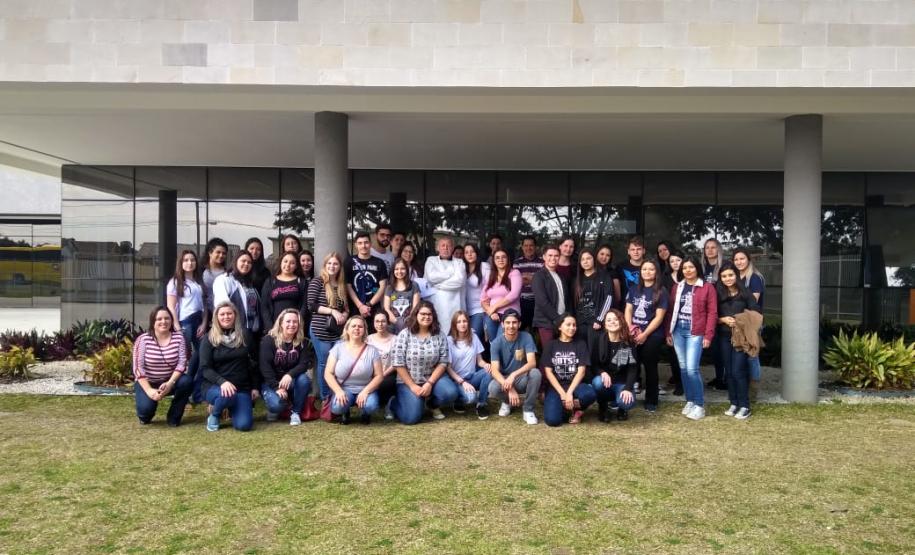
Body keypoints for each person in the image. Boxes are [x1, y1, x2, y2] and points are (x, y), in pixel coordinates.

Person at [666, 257, 718, 421]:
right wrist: (668, 332)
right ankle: (690, 400)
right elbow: (670, 311)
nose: (688, 270)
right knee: (682, 368)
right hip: (678, 330)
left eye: (691, 267)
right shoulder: (677, 287)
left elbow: (712, 313)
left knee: (692, 369)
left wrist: (708, 335)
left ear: (697, 269)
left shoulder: (707, 287)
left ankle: (699, 404)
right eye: (685, 268)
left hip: (695, 331)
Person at [390, 300, 457, 425]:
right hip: (409, 381)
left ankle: (431, 403)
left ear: (433, 316)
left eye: (429, 314)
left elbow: (443, 362)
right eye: (423, 314)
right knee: (411, 418)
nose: (426, 317)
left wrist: (430, 383)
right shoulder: (404, 335)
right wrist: (413, 386)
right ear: (416, 315)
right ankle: (393, 404)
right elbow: (398, 363)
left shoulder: (440, 335)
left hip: (433, 379)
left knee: (450, 393)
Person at [200, 302, 259, 432]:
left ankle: (230, 408)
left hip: (241, 387)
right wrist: (223, 382)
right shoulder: (209, 338)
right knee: (227, 395)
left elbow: (254, 363)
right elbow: (205, 368)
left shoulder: (245, 335)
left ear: (235, 315)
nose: (226, 317)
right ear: (216, 317)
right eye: (222, 314)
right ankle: (215, 414)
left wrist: (255, 386)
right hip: (215, 387)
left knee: (244, 425)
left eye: (229, 313)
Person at [132, 307, 192, 426]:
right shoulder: (143, 340)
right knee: (145, 413)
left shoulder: (179, 338)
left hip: (170, 381)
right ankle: (145, 414)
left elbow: (182, 363)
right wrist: (149, 390)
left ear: (171, 320)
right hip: (148, 382)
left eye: (167, 318)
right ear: (153, 322)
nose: (163, 322)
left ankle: (174, 417)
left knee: (187, 381)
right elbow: (138, 368)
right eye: (159, 319)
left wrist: (170, 383)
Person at [716, 263, 761, 420]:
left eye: (730, 275)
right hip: (723, 337)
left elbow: (756, 313)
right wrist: (722, 319)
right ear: (720, 278)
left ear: (736, 276)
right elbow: (711, 314)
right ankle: (734, 403)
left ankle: (744, 405)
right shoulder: (717, 293)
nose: (727, 279)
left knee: (738, 371)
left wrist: (739, 320)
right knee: (728, 372)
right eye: (724, 276)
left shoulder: (745, 293)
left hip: (741, 338)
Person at [624, 259, 668, 413]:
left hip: (652, 335)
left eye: (651, 269)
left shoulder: (661, 291)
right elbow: (628, 309)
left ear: (656, 272)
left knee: (650, 367)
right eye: (644, 269)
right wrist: (630, 328)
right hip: (633, 333)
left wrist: (645, 334)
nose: (647, 272)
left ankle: (651, 400)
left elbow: (659, 317)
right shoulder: (634, 289)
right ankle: (627, 397)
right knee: (631, 366)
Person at [307, 251, 350, 401]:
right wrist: (332, 311)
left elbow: (346, 308)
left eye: (335, 264)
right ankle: (326, 398)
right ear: (325, 265)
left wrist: (344, 315)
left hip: (337, 332)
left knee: (337, 364)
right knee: (324, 364)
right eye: (329, 263)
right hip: (320, 331)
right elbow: (311, 305)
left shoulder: (341, 285)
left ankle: (336, 395)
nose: (332, 266)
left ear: (339, 267)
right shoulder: (318, 282)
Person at [325, 316, 384, 425]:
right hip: (344, 389)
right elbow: (328, 373)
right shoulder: (337, 348)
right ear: (347, 329)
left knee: (371, 406)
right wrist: (338, 391)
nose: (357, 329)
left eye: (360, 326)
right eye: (353, 326)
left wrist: (365, 391)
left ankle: (366, 413)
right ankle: (345, 412)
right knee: (337, 407)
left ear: (365, 330)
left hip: (366, 388)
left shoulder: (372, 350)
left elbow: (379, 375)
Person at [165, 250, 207, 404]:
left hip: (198, 321)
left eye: (192, 260)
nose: (189, 263)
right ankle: (183, 389)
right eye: (186, 260)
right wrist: (176, 326)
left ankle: (196, 392)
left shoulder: (197, 282)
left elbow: (203, 306)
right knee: (184, 358)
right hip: (185, 322)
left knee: (204, 356)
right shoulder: (175, 282)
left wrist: (204, 322)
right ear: (181, 263)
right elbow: (171, 306)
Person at [487, 309, 541, 425]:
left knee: (536, 373)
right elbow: (495, 371)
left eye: (514, 322)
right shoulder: (496, 343)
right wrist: (510, 388)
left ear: (519, 324)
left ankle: (528, 410)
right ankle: (507, 402)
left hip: (522, 378)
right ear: (502, 324)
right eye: (508, 322)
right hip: (505, 380)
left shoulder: (526, 337)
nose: (511, 326)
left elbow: (532, 363)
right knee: (492, 387)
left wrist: (513, 375)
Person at [259, 309, 313, 425]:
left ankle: (295, 412)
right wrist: (276, 387)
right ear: (281, 323)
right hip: (271, 382)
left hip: (291, 381)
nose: (292, 324)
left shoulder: (302, 342)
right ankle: (277, 406)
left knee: (304, 379)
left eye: (295, 322)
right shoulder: (269, 340)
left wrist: (289, 375)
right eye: (288, 321)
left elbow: (304, 364)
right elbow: (265, 367)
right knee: (277, 405)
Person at [541, 314, 597, 427]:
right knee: (553, 421)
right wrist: (563, 394)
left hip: (575, 386)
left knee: (590, 394)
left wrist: (569, 393)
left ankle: (575, 409)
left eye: (574, 325)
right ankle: (568, 409)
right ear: (560, 327)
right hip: (556, 387)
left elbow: (581, 371)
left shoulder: (580, 344)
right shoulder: (551, 345)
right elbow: (548, 372)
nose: (572, 328)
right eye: (568, 325)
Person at [591, 309, 638, 422]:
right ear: (605, 324)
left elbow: (633, 368)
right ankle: (603, 407)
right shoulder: (598, 339)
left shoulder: (628, 342)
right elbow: (594, 365)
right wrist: (602, 373)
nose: (612, 322)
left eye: (616, 319)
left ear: (621, 322)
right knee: (597, 382)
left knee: (627, 402)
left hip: (621, 383)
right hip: (605, 383)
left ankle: (622, 409)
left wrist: (627, 388)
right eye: (609, 320)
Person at [446, 311, 493, 419]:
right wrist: (462, 382)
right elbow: (448, 368)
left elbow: (479, 360)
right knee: (470, 398)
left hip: (472, 377)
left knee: (490, 371)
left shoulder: (473, 337)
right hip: (457, 380)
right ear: (454, 324)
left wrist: (486, 365)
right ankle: (458, 400)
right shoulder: (449, 341)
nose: (462, 324)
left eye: (465, 321)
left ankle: (481, 404)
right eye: (459, 322)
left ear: (468, 322)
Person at [732, 247, 766, 399]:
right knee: (741, 353)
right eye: (736, 259)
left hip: (751, 322)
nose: (739, 262)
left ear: (748, 259)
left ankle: (753, 390)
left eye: (742, 258)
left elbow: (753, 301)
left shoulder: (755, 278)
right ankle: (743, 387)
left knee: (752, 355)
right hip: (738, 322)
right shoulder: (735, 277)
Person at [213, 251, 261, 335]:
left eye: (249, 262)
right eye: (243, 261)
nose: (246, 264)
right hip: (234, 332)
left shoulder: (249, 282)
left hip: (252, 331)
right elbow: (222, 306)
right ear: (235, 262)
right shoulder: (224, 280)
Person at [573, 248, 614, 347]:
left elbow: (608, 299)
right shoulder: (576, 279)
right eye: (583, 259)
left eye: (588, 258)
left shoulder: (604, 276)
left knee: (594, 353)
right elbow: (572, 302)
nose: (586, 261)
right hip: (580, 323)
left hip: (595, 323)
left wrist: (600, 319)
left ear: (594, 259)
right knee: (581, 351)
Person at [532, 244, 571, 348]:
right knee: (549, 354)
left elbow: (567, 300)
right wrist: (559, 319)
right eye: (550, 255)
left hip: (562, 322)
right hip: (547, 323)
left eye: (556, 256)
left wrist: (567, 318)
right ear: (544, 257)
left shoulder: (560, 276)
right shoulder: (539, 276)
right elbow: (542, 302)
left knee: (560, 354)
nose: (553, 258)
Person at [480, 248, 522, 343]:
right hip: (492, 315)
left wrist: (494, 307)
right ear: (494, 261)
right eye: (497, 258)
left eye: (503, 257)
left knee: (502, 342)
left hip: (509, 314)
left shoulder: (514, 273)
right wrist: (491, 312)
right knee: (493, 343)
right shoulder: (491, 276)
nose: (500, 260)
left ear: (508, 259)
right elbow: (483, 299)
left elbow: (514, 294)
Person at [424, 236, 467, 326]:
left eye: (448, 245)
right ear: (438, 247)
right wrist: (450, 273)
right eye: (443, 245)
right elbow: (432, 277)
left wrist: (438, 285)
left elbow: (459, 281)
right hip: (435, 303)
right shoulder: (431, 260)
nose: (445, 248)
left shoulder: (459, 262)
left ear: (452, 248)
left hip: (455, 304)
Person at [260, 252, 307, 332]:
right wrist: (270, 327)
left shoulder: (301, 282)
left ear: (296, 266)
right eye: (285, 261)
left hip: (293, 326)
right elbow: (264, 306)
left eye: (292, 263)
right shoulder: (270, 281)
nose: (288, 265)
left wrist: (298, 323)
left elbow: (304, 305)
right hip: (275, 326)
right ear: (281, 262)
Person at [346, 231, 389, 319]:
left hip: (374, 308)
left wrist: (369, 305)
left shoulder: (379, 263)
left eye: (366, 242)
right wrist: (360, 306)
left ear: (370, 243)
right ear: (355, 245)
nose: (363, 246)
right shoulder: (349, 262)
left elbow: (382, 287)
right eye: (360, 243)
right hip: (354, 308)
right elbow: (348, 286)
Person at [702, 238, 727, 390]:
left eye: (713, 247)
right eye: (707, 248)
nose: (710, 250)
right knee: (715, 348)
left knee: (722, 348)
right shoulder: (703, 268)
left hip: (722, 312)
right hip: (707, 313)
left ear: (718, 250)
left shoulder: (724, 267)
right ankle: (719, 377)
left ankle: (724, 378)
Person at [662, 249, 685, 396]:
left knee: (687, 356)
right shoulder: (665, 278)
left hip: (687, 321)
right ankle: (679, 384)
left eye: (678, 260)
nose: (675, 263)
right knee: (674, 355)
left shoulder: (689, 275)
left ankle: (688, 382)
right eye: (672, 261)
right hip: (671, 321)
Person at [366, 311, 397, 419]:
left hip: (389, 373)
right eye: (377, 321)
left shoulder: (395, 339)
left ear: (388, 323)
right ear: (373, 323)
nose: (380, 324)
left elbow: (397, 361)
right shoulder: (368, 339)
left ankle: (389, 406)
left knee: (387, 382)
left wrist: (383, 374)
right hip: (371, 374)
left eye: (383, 321)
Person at [513, 235, 543, 331]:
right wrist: (535, 279)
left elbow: (543, 282)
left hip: (538, 302)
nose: (528, 248)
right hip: (521, 301)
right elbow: (515, 282)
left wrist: (528, 278)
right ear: (522, 247)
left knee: (537, 331)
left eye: (531, 245)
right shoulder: (517, 263)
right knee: (520, 329)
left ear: (535, 247)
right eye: (526, 245)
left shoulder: (543, 263)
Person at [462, 243, 490, 343]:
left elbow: (489, 288)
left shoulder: (484, 266)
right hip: (464, 310)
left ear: (477, 253)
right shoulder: (461, 268)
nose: (469, 254)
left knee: (474, 337)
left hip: (479, 309)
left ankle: (481, 359)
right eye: (466, 252)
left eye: (472, 252)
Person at [384, 258, 420, 333]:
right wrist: (396, 322)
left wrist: (408, 322)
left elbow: (416, 307)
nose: (399, 271)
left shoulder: (414, 285)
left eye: (402, 269)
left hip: (410, 325)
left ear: (407, 270)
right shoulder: (389, 288)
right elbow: (386, 308)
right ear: (393, 271)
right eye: (396, 269)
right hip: (392, 326)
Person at [201, 237, 228, 315]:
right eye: (218, 252)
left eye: (224, 253)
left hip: (222, 314)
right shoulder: (200, 271)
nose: (221, 255)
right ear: (210, 253)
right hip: (204, 314)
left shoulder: (227, 273)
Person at [618, 235, 645, 304]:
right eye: (633, 249)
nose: (636, 252)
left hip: (645, 305)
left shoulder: (650, 266)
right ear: (628, 251)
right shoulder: (621, 267)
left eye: (638, 249)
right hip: (625, 306)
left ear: (643, 251)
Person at [595, 243, 622, 310]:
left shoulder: (612, 273)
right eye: (602, 254)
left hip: (607, 309)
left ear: (610, 258)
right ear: (596, 254)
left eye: (608, 255)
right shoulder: (590, 270)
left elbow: (617, 297)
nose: (604, 257)